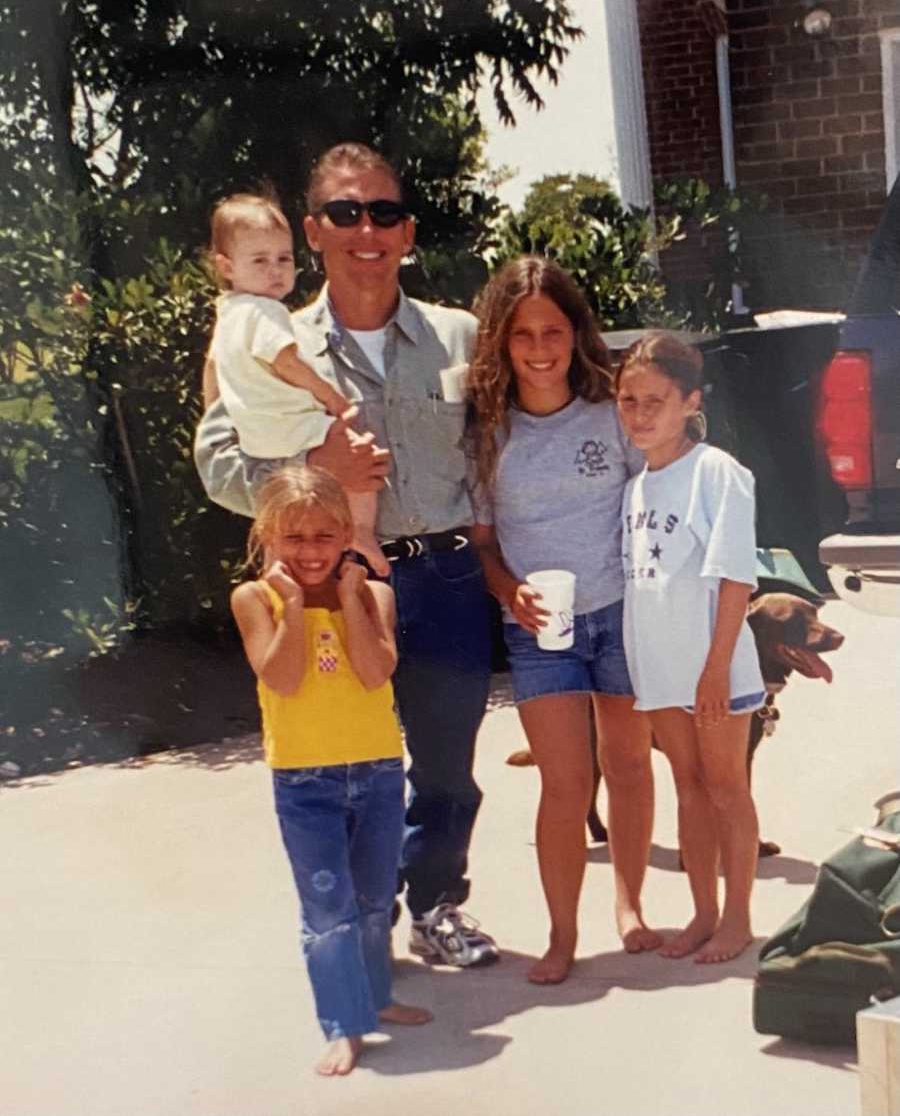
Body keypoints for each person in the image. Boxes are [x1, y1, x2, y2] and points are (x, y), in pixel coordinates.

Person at [195, 143, 498, 967]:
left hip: (440, 576)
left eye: (385, 213)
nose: (367, 229)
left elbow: (496, 453)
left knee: (446, 770)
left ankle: (437, 907)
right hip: (332, 585)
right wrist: (318, 471)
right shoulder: (261, 340)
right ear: (312, 231)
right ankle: (364, 926)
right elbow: (218, 467)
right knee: (348, 771)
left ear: (406, 232)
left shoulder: (458, 334)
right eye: (344, 213)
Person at [468, 257, 661, 984]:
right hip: (540, 629)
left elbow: (651, 504)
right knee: (565, 783)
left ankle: (631, 903)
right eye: (524, 334)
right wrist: (507, 592)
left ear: (576, 332)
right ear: (502, 341)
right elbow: (483, 543)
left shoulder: (612, 408)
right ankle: (560, 933)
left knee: (631, 764)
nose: (541, 347)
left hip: (620, 612)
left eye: (554, 329)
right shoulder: (487, 430)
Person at [231, 466, 432, 1076]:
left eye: (324, 536)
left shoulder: (374, 596)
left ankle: (375, 997)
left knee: (373, 897)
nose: (310, 551)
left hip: (374, 770)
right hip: (303, 780)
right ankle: (343, 1024)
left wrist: (349, 599)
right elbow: (283, 677)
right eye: (294, 538)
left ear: (347, 534)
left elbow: (376, 673)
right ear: (266, 535)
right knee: (327, 908)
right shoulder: (255, 600)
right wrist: (293, 605)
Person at [616, 330, 765, 964]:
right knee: (687, 785)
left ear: (690, 402)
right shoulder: (636, 485)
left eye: (655, 401)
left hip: (713, 663)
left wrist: (715, 670)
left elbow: (735, 577)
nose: (641, 415)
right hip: (660, 667)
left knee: (727, 787)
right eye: (628, 401)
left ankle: (738, 918)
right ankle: (703, 911)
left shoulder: (716, 472)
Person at [208, 193, 389, 577]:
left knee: (286, 505)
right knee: (363, 453)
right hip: (292, 426)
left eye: (283, 259)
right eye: (260, 261)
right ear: (225, 266)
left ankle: (276, 560)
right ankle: (360, 533)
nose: (275, 271)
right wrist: (331, 397)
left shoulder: (226, 317)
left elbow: (214, 393)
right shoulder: (265, 311)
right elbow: (287, 361)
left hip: (259, 440)